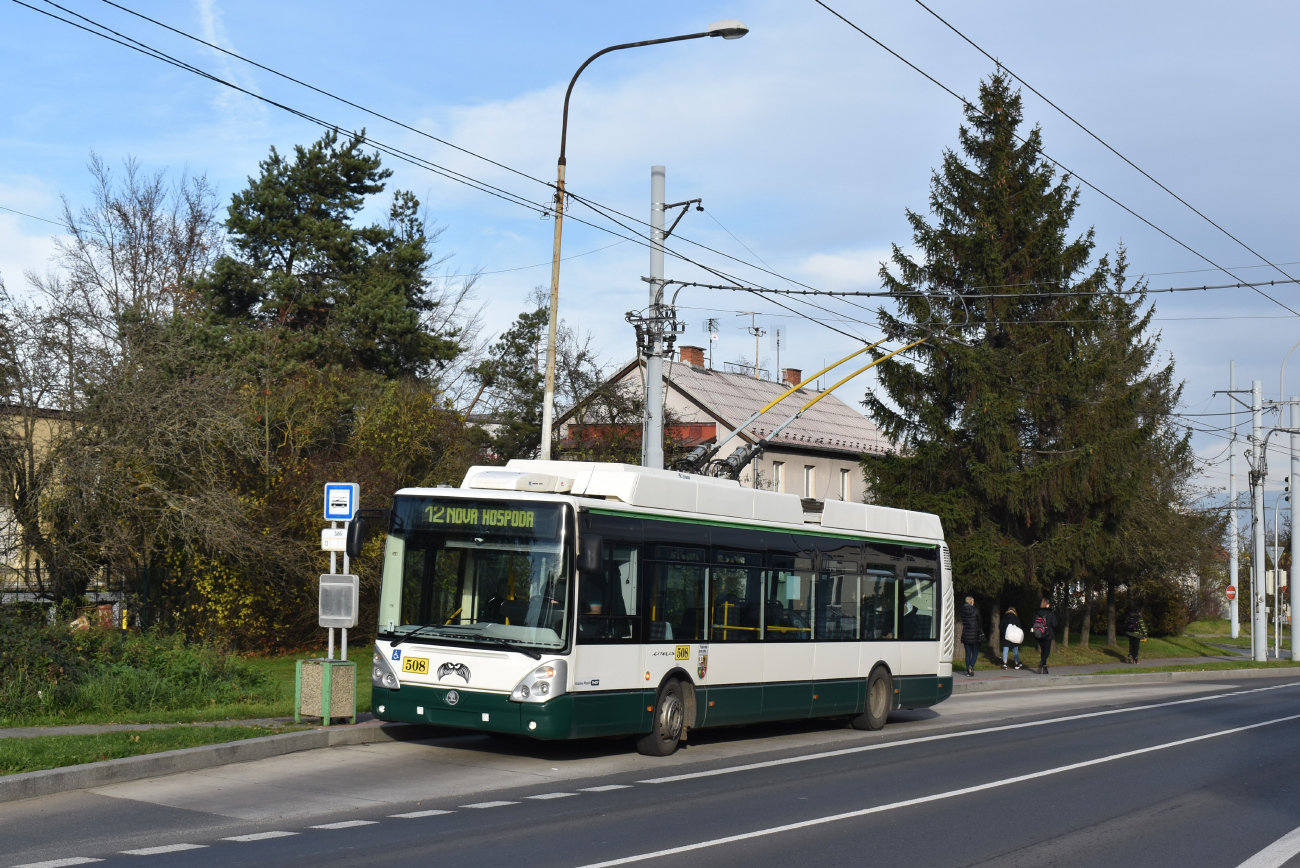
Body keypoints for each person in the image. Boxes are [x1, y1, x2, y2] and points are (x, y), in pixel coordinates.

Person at [1031, 597, 1058, 674]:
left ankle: (1045, 668)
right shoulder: (1049, 613)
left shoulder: (1036, 613)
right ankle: (1042, 662)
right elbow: (1055, 624)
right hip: (1047, 633)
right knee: (1047, 651)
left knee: (1043, 650)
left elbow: (1033, 622)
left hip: (1038, 633)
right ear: (1047, 605)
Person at [960, 595, 983, 678]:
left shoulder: (963, 611)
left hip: (966, 634)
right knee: (975, 653)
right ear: (971, 602)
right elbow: (980, 622)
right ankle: (971, 666)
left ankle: (968, 670)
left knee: (968, 654)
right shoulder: (976, 610)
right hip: (975, 635)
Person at [1001, 606, 1023, 670]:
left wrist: (1005, 631)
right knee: (1015, 650)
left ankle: (1005, 663)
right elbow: (1019, 627)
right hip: (1014, 636)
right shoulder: (1016, 618)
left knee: (1005, 649)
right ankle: (1016, 663)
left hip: (1006, 636)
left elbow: (1000, 626)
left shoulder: (1004, 618)